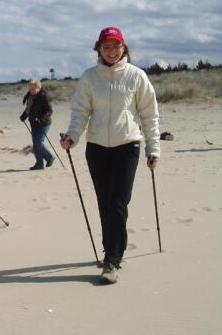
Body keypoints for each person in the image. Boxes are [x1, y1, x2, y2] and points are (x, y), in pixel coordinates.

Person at [60, 27, 160, 284]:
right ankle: (112, 249)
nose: (112, 51)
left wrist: (153, 148)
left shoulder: (136, 76)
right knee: (104, 202)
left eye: (116, 46)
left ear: (124, 48)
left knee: (119, 201)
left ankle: (113, 259)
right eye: (106, 47)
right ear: (99, 49)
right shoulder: (90, 78)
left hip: (127, 145)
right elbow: (80, 111)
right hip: (96, 148)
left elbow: (149, 115)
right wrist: (72, 136)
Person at [20, 79, 54, 170]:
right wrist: (23, 116)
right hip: (33, 123)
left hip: (44, 123)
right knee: (35, 144)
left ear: (39, 87)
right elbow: (28, 109)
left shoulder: (44, 96)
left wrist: (41, 118)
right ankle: (39, 164)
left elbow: (49, 111)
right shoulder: (30, 96)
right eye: (30, 88)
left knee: (38, 142)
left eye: (34, 88)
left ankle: (50, 157)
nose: (32, 90)